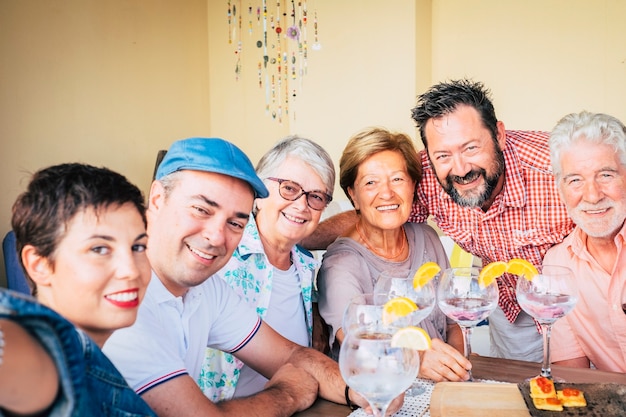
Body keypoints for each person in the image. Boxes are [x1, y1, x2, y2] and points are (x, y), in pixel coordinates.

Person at [103, 138, 388, 417]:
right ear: (156, 198)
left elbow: (290, 355)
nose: (216, 237)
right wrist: (287, 392)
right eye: (201, 209)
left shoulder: (207, 289)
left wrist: (359, 391)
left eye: (235, 223)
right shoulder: (116, 296)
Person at [305, 79, 575, 362]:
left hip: (572, 302)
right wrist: (298, 235)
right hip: (510, 311)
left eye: (471, 148)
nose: (460, 168)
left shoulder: (557, 165)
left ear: (499, 135)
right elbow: (381, 209)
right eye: (443, 155)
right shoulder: (424, 176)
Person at [0, 163, 155, 416]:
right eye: (99, 249)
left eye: (138, 247)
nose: (131, 270)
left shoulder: (98, 371)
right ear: (39, 264)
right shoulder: (39, 356)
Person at [317, 127, 470, 382]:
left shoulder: (427, 238)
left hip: (440, 389)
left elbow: (454, 324)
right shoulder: (341, 264)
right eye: (370, 183)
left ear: (412, 186)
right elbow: (359, 345)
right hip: (380, 393)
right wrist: (418, 359)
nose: (387, 193)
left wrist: (452, 371)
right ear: (353, 195)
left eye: (397, 179)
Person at [200, 135, 335, 400]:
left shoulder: (307, 266)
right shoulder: (222, 255)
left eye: (316, 196)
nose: (301, 205)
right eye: (289, 188)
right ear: (259, 192)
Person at [545, 111, 626, 372]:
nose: (592, 195)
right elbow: (573, 377)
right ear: (561, 189)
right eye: (575, 180)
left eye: (606, 175)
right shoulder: (558, 264)